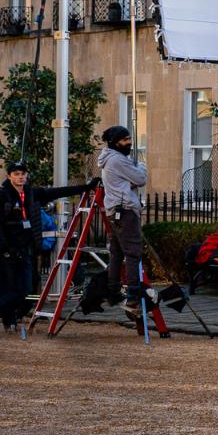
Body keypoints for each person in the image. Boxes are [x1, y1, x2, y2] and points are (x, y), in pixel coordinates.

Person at [0, 161, 92, 331]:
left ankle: (12, 315)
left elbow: (58, 192)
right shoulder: (3, 195)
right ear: (9, 176)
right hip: (7, 250)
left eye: (23, 174)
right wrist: (4, 247)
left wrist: (85, 188)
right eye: (16, 174)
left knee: (26, 288)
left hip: (26, 249)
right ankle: (9, 320)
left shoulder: (32, 193)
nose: (20, 177)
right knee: (9, 286)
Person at [98, 125, 150, 322]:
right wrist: (141, 166)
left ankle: (112, 289)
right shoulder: (118, 160)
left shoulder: (109, 158)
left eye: (129, 138)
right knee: (133, 253)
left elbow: (130, 182)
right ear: (114, 142)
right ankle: (133, 295)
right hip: (125, 211)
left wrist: (131, 180)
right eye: (125, 140)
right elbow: (140, 178)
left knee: (117, 252)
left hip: (115, 210)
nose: (129, 143)